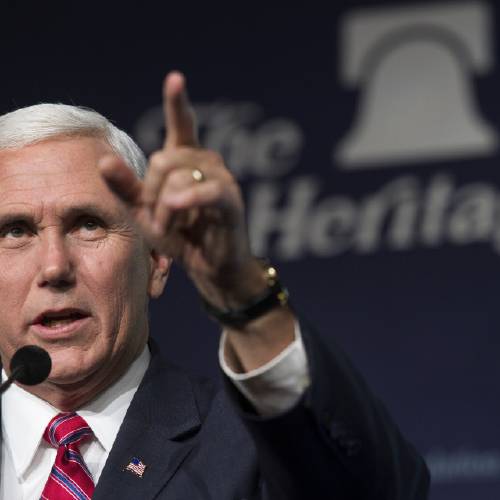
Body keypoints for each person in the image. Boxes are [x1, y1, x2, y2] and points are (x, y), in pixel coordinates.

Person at [0, 71, 429, 499]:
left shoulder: (252, 449)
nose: (55, 267)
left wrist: (242, 293)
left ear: (156, 259)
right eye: (15, 232)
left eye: (88, 224)